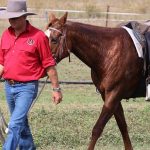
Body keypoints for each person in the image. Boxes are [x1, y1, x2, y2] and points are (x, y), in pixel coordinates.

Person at [0, 0, 63, 150]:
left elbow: (49, 64)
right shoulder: (6, 34)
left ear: (24, 17)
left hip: (27, 88)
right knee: (22, 124)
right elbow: (2, 63)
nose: (11, 20)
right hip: (9, 86)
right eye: (9, 17)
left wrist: (56, 89)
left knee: (14, 124)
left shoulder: (38, 36)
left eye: (15, 17)